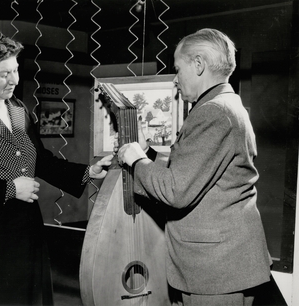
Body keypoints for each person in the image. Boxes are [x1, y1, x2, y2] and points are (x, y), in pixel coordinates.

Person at [0, 30, 112, 306]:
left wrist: (88, 172)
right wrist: (9, 188)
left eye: (16, 70)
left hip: (25, 229)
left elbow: (40, 160)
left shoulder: (19, 110)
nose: (15, 80)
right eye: (4, 73)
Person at [116, 28, 272, 305]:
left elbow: (177, 191)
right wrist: (149, 152)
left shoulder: (212, 112)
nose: (175, 80)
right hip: (220, 266)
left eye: (178, 69)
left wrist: (136, 159)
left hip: (215, 271)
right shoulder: (225, 105)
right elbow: (195, 168)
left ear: (198, 64)